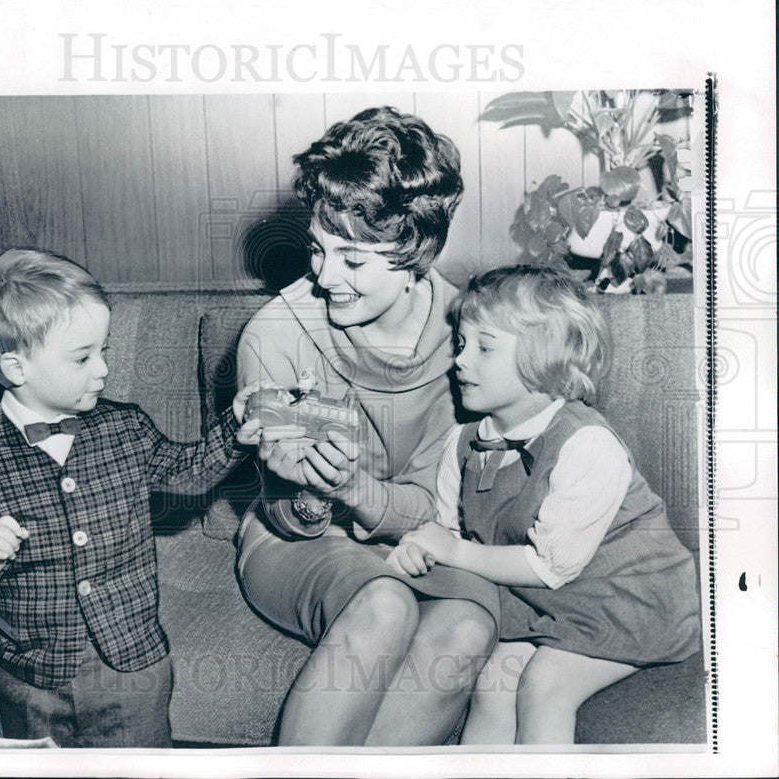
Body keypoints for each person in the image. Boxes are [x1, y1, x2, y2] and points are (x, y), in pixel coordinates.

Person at [235, 107, 500, 746]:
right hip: (298, 544)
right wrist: (303, 489)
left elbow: (442, 510)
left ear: (416, 252)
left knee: (468, 624)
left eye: (353, 260)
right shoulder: (277, 332)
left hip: (425, 536)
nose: (325, 278)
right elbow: (285, 515)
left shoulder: (472, 344)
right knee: (384, 603)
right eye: (318, 251)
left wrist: (358, 490)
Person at [0, 248, 254, 748]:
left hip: (131, 663)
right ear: (17, 366)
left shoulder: (126, 427)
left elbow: (188, 472)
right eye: (83, 357)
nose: (103, 369)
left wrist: (236, 427)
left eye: (104, 349)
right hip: (26, 674)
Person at [387, 265, 701, 744]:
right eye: (461, 344)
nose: (460, 361)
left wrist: (455, 553)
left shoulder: (587, 444)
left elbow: (550, 566)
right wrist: (424, 551)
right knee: (493, 683)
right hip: (548, 607)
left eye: (484, 347)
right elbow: (451, 532)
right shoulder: (462, 443)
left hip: (627, 601)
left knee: (545, 685)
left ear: (543, 357)